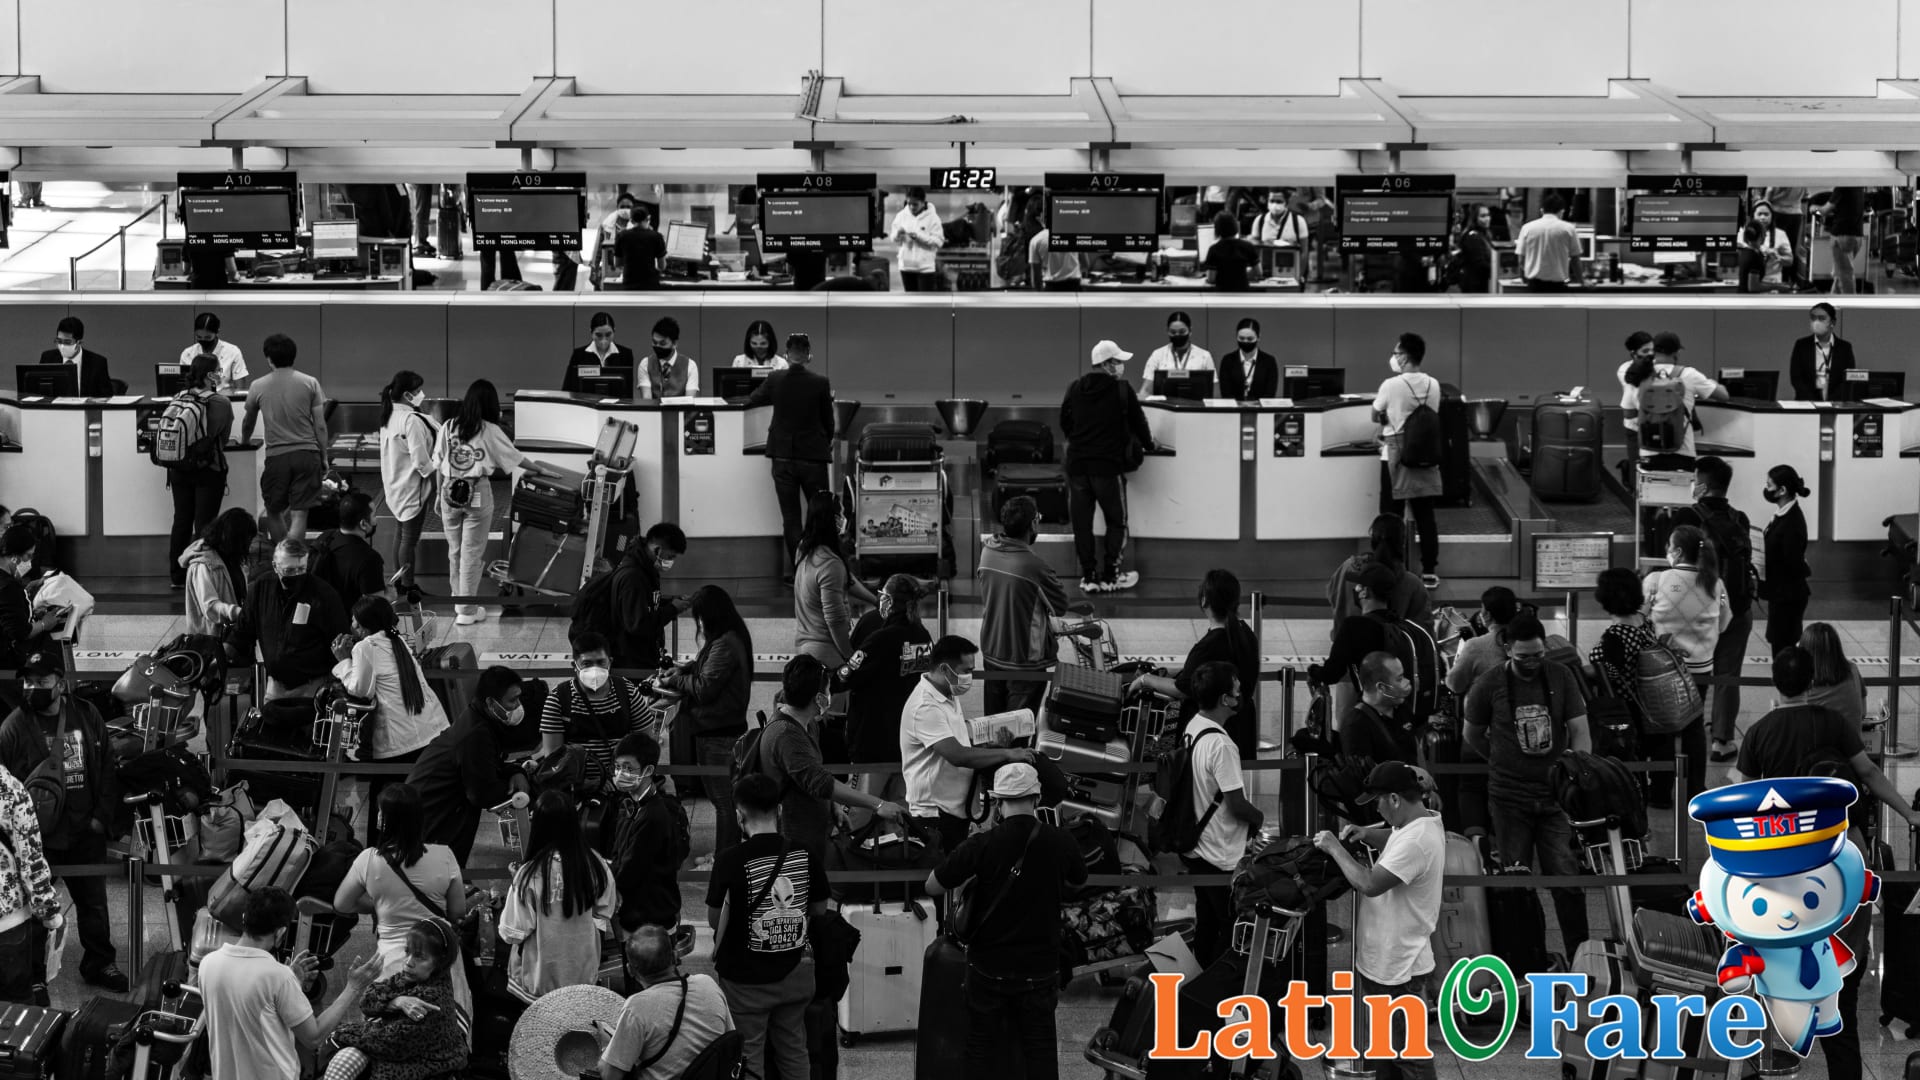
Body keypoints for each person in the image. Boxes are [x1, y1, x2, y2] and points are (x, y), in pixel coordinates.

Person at [1728, 646, 1920, 1080]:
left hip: (1785, 863)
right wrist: (1908, 813)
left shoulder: (1760, 732)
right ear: (1812, 681)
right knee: (1842, 993)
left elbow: (1743, 797)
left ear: (1775, 683)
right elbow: (1869, 774)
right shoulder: (1834, 723)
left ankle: (1770, 1054)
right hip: (1839, 855)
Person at [925, 762, 1086, 1080]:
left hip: (988, 967)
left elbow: (932, 885)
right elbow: (1079, 881)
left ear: (997, 802)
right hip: (1040, 967)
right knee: (1040, 1048)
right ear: (1036, 798)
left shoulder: (982, 843)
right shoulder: (1061, 841)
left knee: (980, 1045)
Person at [1461, 612, 1591, 953]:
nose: (1532, 662)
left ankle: (1580, 954)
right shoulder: (1489, 683)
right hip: (1509, 799)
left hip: (1555, 798)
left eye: (1538, 655)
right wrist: (1499, 758)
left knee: (1567, 880)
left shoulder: (1561, 676)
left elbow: (1580, 730)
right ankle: (1524, 956)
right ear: (1507, 649)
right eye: (1523, 657)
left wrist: (1575, 773)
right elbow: (1471, 733)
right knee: (1516, 883)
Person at [1311, 760, 1447, 1080]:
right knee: (1386, 1053)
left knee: (1409, 1058)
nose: (1377, 809)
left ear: (1395, 799)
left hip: (1398, 968)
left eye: (1379, 802)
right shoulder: (1422, 822)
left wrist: (1335, 848)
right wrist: (1369, 834)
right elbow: (1398, 837)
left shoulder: (1416, 842)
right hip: (1390, 962)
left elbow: (1369, 883)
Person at [0, 645, 117, 996]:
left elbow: (107, 766)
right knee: (36, 909)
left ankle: (100, 962)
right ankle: (35, 973)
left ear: (61, 684)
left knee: (94, 903)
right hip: (39, 837)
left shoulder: (86, 713)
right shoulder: (13, 726)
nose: (33, 688)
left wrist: (101, 819)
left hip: (84, 830)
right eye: (29, 682)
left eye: (42, 681)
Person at [706, 773, 830, 1080]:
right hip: (796, 972)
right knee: (794, 1048)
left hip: (745, 981)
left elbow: (714, 920)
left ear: (739, 816)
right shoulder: (805, 854)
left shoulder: (729, 860)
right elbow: (819, 909)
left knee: (748, 1055)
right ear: (780, 810)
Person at [751, 656, 908, 865]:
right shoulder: (786, 735)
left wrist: (833, 806)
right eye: (828, 690)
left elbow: (812, 772)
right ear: (818, 698)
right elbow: (820, 782)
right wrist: (878, 804)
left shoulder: (808, 724)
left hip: (811, 834)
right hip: (792, 843)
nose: (830, 695)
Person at [334, 784, 471, 1018]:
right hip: (440, 957)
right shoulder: (445, 855)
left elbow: (342, 904)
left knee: (390, 1027)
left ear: (383, 820)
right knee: (447, 1025)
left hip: (393, 961)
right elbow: (458, 912)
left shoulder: (368, 860)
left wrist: (381, 904)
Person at [436, 379, 564, 625]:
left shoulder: (449, 426)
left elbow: (438, 462)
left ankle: (460, 601)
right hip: (476, 491)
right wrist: (540, 470)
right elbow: (514, 457)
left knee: (455, 551)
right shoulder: (489, 430)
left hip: (449, 491)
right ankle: (466, 610)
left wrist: (437, 495)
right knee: (471, 552)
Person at [900, 635, 1035, 854]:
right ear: (945, 669)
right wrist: (1008, 754)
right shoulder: (925, 706)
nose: (969, 677)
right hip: (935, 816)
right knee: (941, 871)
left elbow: (961, 744)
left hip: (955, 810)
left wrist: (993, 746)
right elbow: (958, 755)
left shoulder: (947, 695)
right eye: (966, 671)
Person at [333, 596, 451, 842]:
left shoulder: (365, 647)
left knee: (384, 803)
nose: (351, 624)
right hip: (429, 733)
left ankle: (380, 850)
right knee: (410, 798)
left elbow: (360, 689)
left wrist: (343, 662)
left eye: (354, 620)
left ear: (363, 626)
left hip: (398, 743)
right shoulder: (398, 639)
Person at [1169, 663, 1264, 968]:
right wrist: (1259, 819)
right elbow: (1237, 805)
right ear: (1225, 699)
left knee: (1207, 919)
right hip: (1219, 851)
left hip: (1196, 845)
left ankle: (1201, 976)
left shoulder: (1194, 725)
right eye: (1237, 691)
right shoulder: (1222, 745)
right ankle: (1219, 983)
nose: (1240, 696)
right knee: (1229, 924)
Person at [1667, 457, 1754, 764]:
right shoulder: (1740, 518)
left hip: (1697, 612)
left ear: (1702, 485)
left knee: (1694, 671)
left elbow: (1675, 561)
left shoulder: (1687, 516)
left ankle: (1689, 733)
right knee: (1727, 675)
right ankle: (1722, 740)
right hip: (1736, 609)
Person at [199, 889, 339, 1080]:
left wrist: (291, 983)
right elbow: (313, 1037)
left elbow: (247, 1005)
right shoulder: (278, 977)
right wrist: (353, 987)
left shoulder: (208, 964)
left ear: (244, 918)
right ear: (280, 932)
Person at [1130, 568, 1262, 761]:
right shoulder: (1245, 633)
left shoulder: (1208, 646)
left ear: (1204, 601)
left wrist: (1146, 679)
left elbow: (1183, 689)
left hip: (1212, 735)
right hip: (1241, 728)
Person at [659, 589, 754, 854]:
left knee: (724, 802)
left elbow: (704, 688)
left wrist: (674, 680)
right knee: (724, 800)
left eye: (699, 617)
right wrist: (684, 669)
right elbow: (707, 667)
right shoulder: (729, 637)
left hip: (718, 733)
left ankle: (725, 857)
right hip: (719, 728)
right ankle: (727, 853)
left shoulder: (725, 643)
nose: (698, 624)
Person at [499, 790, 617, 1002]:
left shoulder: (529, 874)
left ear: (538, 825)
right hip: (582, 973)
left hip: (539, 981)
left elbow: (513, 932)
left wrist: (517, 881)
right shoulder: (595, 864)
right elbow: (604, 910)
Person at [405, 665, 531, 864]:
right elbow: (482, 793)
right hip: (433, 817)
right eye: (512, 700)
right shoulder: (475, 734)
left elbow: (487, 764)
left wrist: (515, 772)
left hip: (436, 810)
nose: (518, 706)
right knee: (441, 871)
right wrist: (516, 792)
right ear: (491, 703)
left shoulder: (479, 718)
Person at [322, 917, 469, 1080]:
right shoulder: (412, 978)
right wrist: (396, 1001)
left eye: (419, 957)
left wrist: (344, 1031)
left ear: (440, 962)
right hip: (396, 1054)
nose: (408, 962)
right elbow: (367, 1001)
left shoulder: (432, 999)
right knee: (346, 1058)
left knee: (345, 1058)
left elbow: (391, 1043)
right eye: (407, 952)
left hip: (423, 1068)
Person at [1644, 524, 1729, 801]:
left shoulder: (1656, 580)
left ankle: (1660, 792)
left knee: (1663, 727)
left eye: (1669, 546)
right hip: (1700, 667)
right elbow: (1725, 622)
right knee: (1694, 725)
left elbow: (1641, 616)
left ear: (1678, 551)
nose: (1667, 550)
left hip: (1662, 668)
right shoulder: (1715, 583)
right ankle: (1695, 787)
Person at [1062, 340, 1154, 593]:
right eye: (1118, 361)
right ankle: (1111, 575)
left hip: (1078, 466)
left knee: (1082, 524)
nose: (1122, 366)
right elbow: (1139, 423)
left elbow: (1065, 422)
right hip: (1107, 467)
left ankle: (1089, 576)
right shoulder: (1122, 390)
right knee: (1116, 521)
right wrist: (1149, 444)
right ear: (1107, 364)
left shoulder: (1075, 388)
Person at [747, 332, 835, 574]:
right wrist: (825, 441)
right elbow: (828, 422)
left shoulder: (775, 379)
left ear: (786, 355)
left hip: (783, 456)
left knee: (791, 518)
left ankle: (799, 570)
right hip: (813, 458)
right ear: (808, 356)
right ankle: (820, 568)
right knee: (819, 515)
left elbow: (753, 398)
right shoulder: (820, 382)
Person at [598, 925, 735, 1080]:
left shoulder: (637, 1007)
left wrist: (606, 1045)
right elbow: (730, 1039)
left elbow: (610, 1075)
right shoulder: (708, 984)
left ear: (630, 970)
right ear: (675, 956)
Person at [978, 494, 1070, 717]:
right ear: (1033, 524)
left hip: (992, 652)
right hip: (1024, 661)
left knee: (992, 724)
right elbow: (1060, 605)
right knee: (1017, 730)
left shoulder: (987, 551)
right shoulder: (1035, 567)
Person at [228, 538, 350, 701]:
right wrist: (221, 656)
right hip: (275, 687)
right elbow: (243, 631)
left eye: (301, 569)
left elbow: (340, 641)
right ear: (275, 566)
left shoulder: (324, 595)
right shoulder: (261, 589)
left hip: (313, 687)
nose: (296, 575)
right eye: (289, 570)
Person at [836, 574, 933, 771]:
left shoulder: (880, 639)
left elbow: (847, 675)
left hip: (875, 737)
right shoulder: (924, 637)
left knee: (866, 791)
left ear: (888, 600)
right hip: (911, 737)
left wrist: (823, 680)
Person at [156, 352, 235, 590]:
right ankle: (202, 576)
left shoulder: (178, 397)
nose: (220, 374)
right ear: (210, 375)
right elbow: (223, 438)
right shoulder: (221, 403)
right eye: (218, 371)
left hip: (179, 469)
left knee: (181, 520)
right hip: (208, 469)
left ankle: (177, 576)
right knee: (205, 524)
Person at [240, 333, 329, 543]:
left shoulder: (258, 385)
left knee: (273, 510)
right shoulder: (310, 382)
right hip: (307, 454)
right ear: (293, 356)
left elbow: (248, 422)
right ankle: (294, 557)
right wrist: (324, 456)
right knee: (300, 513)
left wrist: (244, 441)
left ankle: (281, 555)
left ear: (268, 359)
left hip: (277, 456)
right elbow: (320, 425)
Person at [542, 631, 656, 790]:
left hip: (623, 785)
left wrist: (624, 780)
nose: (594, 669)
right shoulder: (559, 699)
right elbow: (553, 760)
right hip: (577, 789)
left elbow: (646, 744)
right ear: (574, 666)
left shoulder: (627, 692)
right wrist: (587, 785)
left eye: (601, 662)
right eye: (587, 663)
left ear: (610, 662)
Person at [1373, 331, 1442, 588]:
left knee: (1392, 515)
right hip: (1426, 454)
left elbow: (1375, 413)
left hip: (1396, 454)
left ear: (1404, 357)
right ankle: (1429, 570)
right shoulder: (1434, 384)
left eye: (1396, 353)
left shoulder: (1391, 385)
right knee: (1426, 516)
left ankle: (1392, 567)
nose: (1393, 357)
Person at [608, 732, 688, 936]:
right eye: (617, 767)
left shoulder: (653, 815)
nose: (620, 773)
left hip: (650, 921)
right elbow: (619, 851)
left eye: (628, 768)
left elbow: (632, 867)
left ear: (649, 770)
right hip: (636, 912)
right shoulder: (629, 804)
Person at [585, 522, 688, 670]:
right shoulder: (633, 577)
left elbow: (644, 603)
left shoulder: (645, 569)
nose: (671, 562)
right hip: (631, 662)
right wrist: (672, 609)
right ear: (657, 550)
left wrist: (669, 602)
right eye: (670, 556)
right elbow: (638, 624)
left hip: (640, 655)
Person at [1589, 566, 1665, 762]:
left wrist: (1591, 670)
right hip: (1650, 704)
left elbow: (1612, 674)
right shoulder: (1644, 622)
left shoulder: (1616, 635)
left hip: (1626, 712)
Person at [0, 756, 60, 1004]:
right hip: (8, 924)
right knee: (17, 1009)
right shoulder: (9, 788)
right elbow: (31, 861)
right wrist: (48, 913)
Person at [1617, 332, 1727, 465]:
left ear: (1653, 351)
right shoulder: (1689, 374)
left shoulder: (1638, 376)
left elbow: (1629, 412)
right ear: (1677, 353)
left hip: (1648, 452)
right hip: (1683, 452)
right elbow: (1723, 396)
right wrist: (1713, 384)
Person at [1327, 513, 1433, 634]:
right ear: (1402, 543)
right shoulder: (1413, 584)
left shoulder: (1347, 569)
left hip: (1345, 642)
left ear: (1373, 539)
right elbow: (1424, 631)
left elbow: (1333, 596)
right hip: (1391, 645)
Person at [793, 492, 855, 670]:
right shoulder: (831, 565)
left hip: (804, 644)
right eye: (841, 514)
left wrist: (874, 600)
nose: (844, 518)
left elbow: (847, 580)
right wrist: (850, 657)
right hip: (824, 651)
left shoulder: (804, 548)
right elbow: (835, 621)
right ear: (832, 519)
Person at [179, 507, 255, 637]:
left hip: (235, 633)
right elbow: (210, 607)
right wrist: (240, 613)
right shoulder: (203, 565)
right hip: (212, 640)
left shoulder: (232, 557)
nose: (249, 545)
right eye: (246, 540)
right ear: (234, 538)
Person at [1761, 464, 1813, 656]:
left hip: (1788, 596)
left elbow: (1792, 562)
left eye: (1769, 485)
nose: (1766, 489)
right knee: (1779, 643)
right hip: (1781, 593)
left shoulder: (1792, 522)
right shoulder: (1782, 515)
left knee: (1783, 648)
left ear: (1782, 490)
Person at [312, 492, 387, 613]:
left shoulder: (325, 537)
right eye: (374, 515)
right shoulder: (369, 559)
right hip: (348, 621)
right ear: (363, 524)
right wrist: (388, 597)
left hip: (319, 615)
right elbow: (374, 609)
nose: (376, 520)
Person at [1341, 652, 1417, 765]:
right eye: (1399, 679)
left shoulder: (1402, 709)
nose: (1406, 682)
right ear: (1381, 687)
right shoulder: (1355, 725)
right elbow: (1363, 774)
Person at [1446, 586, 1521, 697]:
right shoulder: (1526, 640)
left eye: (1482, 608)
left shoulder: (1475, 646)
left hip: (1486, 706)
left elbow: (1455, 685)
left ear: (1487, 615)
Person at [1799, 623, 1868, 731]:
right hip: (1851, 741)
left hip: (1814, 741)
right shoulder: (1852, 670)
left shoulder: (1802, 685)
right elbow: (1863, 712)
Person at [1789, 302, 1856, 403]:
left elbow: (1847, 379)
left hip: (1836, 404)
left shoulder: (1844, 347)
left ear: (1832, 322)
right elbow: (1796, 378)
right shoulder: (1802, 345)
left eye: (1821, 318)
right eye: (1813, 318)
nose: (1816, 322)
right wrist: (1812, 402)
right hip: (1807, 404)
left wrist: (1832, 402)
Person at [1138, 311, 1216, 397]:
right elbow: (1146, 390)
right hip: (1163, 405)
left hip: (1196, 405)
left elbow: (1214, 394)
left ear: (1190, 330)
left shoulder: (1204, 356)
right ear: (1167, 331)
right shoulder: (1158, 355)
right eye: (1173, 332)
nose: (1177, 335)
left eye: (1182, 332)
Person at [1516, 192, 1580, 290]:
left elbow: (1521, 260)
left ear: (1542, 210)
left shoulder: (1527, 228)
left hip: (1534, 285)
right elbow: (1575, 260)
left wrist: (1524, 278)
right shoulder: (1569, 229)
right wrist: (1582, 281)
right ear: (1562, 211)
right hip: (1558, 286)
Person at [38, 316, 112, 399]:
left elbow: (107, 397)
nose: (62, 346)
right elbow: (38, 392)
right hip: (54, 406)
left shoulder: (98, 363)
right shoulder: (47, 358)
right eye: (59, 341)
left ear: (79, 343)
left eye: (67, 342)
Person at [564, 312, 640, 392]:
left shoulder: (625, 355)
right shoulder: (579, 355)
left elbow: (627, 391)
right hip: (585, 399)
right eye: (599, 335)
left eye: (608, 335)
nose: (604, 340)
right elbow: (567, 388)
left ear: (614, 331)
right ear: (591, 333)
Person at [888, 186, 944, 291]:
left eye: (915, 204)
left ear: (923, 202)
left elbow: (939, 242)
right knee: (910, 300)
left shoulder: (933, 218)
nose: (911, 207)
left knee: (924, 300)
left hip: (925, 268)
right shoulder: (901, 216)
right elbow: (893, 238)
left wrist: (918, 236)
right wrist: (898, 234)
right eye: (909, 203)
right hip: (906, 267)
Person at [180, 312, 250, 392]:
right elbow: (184, 386)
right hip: (195, 397)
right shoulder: (188, 354)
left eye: (207, 337)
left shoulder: (232, 351)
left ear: (217, 332)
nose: (203, 340)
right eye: (199, 337)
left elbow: (240, 389)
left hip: (224, 397)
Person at [1736, 199, 1794, 289]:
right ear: (1753, 215)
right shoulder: (1744, 233)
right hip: (1751, 282)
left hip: (1772, 281)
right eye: (1759, 214)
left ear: (1772, 216)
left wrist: (1777, 256)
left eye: (1766, 214)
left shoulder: (1780, 234)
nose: (1763, 217)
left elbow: (1790, 261)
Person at [637, 317, 698, 399]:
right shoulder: (645, 364)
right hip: (654, 407)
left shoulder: (690, 366)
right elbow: (647, 398)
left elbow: (689, 400)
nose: (657, 346)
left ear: (674, 344)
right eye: (654, 342)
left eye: (662, 344)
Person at [1219, 318, 1279, 401]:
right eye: (1241, 338)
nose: (1245, 341)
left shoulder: (1269, 361)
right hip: (1234, 407)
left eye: (1250, 339)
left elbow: (1270, 394)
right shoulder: (1228, 360)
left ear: (1258, 337)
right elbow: (1226, 393)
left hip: (1261, 407)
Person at [1822, 187, 1867, 295]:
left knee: (1845, 275)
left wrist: (1814, 208)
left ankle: (1850, 304)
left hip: (1842, 235)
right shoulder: (1859, 187)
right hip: (1857, 236)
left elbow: (1825, 210)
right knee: (1840, 274)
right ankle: (1833, 301)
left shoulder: (1841, 187)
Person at [1201, 213, 1259, 291]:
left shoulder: (1214, 249)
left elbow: (1211, 279)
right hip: (1243, 294)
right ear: (1235, 226)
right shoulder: (1248, 246)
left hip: (1222, 294)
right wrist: (1242, 274)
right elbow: (1259, 272)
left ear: (1217, 229)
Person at [616, 208, 667, 291]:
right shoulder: (657, 236)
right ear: (648, 218)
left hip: (629, 286)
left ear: (631, 221)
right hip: (650, 286)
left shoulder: (622, 236)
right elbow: (662, 266)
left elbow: (617, 263)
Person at [1452, 203, 1495, 294]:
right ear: (1474, 218)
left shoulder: (1483, 234)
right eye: (1483, 216)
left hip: (1481, 283)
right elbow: (1480, 265)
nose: (1487, 219)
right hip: (1474, 286)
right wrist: (1497, 270)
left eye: (1488, 215)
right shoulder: (1473, 237)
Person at [1026, 224, 1083, 290]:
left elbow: (1036, 277)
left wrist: (1039, 292)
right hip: (1074, 285)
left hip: (1051, 286)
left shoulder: (1036, 240)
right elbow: (1086, 263)